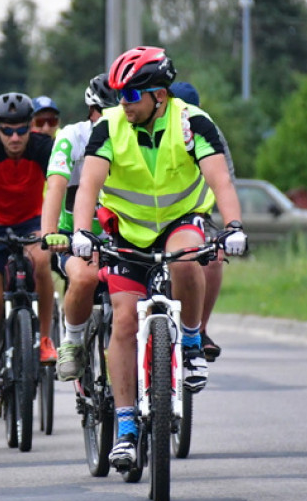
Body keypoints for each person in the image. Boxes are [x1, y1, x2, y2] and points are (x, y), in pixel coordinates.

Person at [70, 46, 247, 471]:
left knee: (187, 258)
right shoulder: (110, 127)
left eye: (132, 96)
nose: (123, 105)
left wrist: (235, 225)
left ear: (159, 96)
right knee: (125, 321)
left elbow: (220, 180)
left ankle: (189, 341)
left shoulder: (192, 122)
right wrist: (80, 232)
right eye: (119, 96)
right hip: (127, 230)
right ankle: (127, 429)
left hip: (179, 219)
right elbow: (88, 186)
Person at [0, 92, 57, 418]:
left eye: (21, 129)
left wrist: (55, 229)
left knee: (43, 261)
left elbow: (60, 186)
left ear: (31, 126)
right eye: (7, 130)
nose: (15, 137)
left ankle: (45, 338)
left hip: (32, 223)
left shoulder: (43, 147)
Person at [40, 74, 121, 381]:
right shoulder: (72, 137)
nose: (114, 120)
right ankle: (73, 341)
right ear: (92, 111)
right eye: (106, 113)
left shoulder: (130, 137)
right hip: (74, 236)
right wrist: (50, 233)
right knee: (85, 277)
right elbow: (56, 187)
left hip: (121, 237)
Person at [168, 81, 236, 362]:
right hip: (149, 213)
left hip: (196, 212)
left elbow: (224, 180)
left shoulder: (207, 130)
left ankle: (201, 328)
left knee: (214, 257)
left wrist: (225, 228)